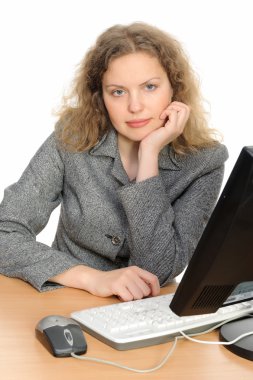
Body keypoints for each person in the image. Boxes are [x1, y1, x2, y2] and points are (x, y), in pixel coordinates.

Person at [0, 22, 228, 301]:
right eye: (118, 92)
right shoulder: (73, 136)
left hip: (145, 316)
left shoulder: (205, 161)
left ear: (174, 89)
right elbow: (5, 232)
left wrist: (149, 154)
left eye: (150, 87)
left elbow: (157, 271)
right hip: (63, 298)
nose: (135, 106)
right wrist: (90, 278)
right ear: (101, 97)